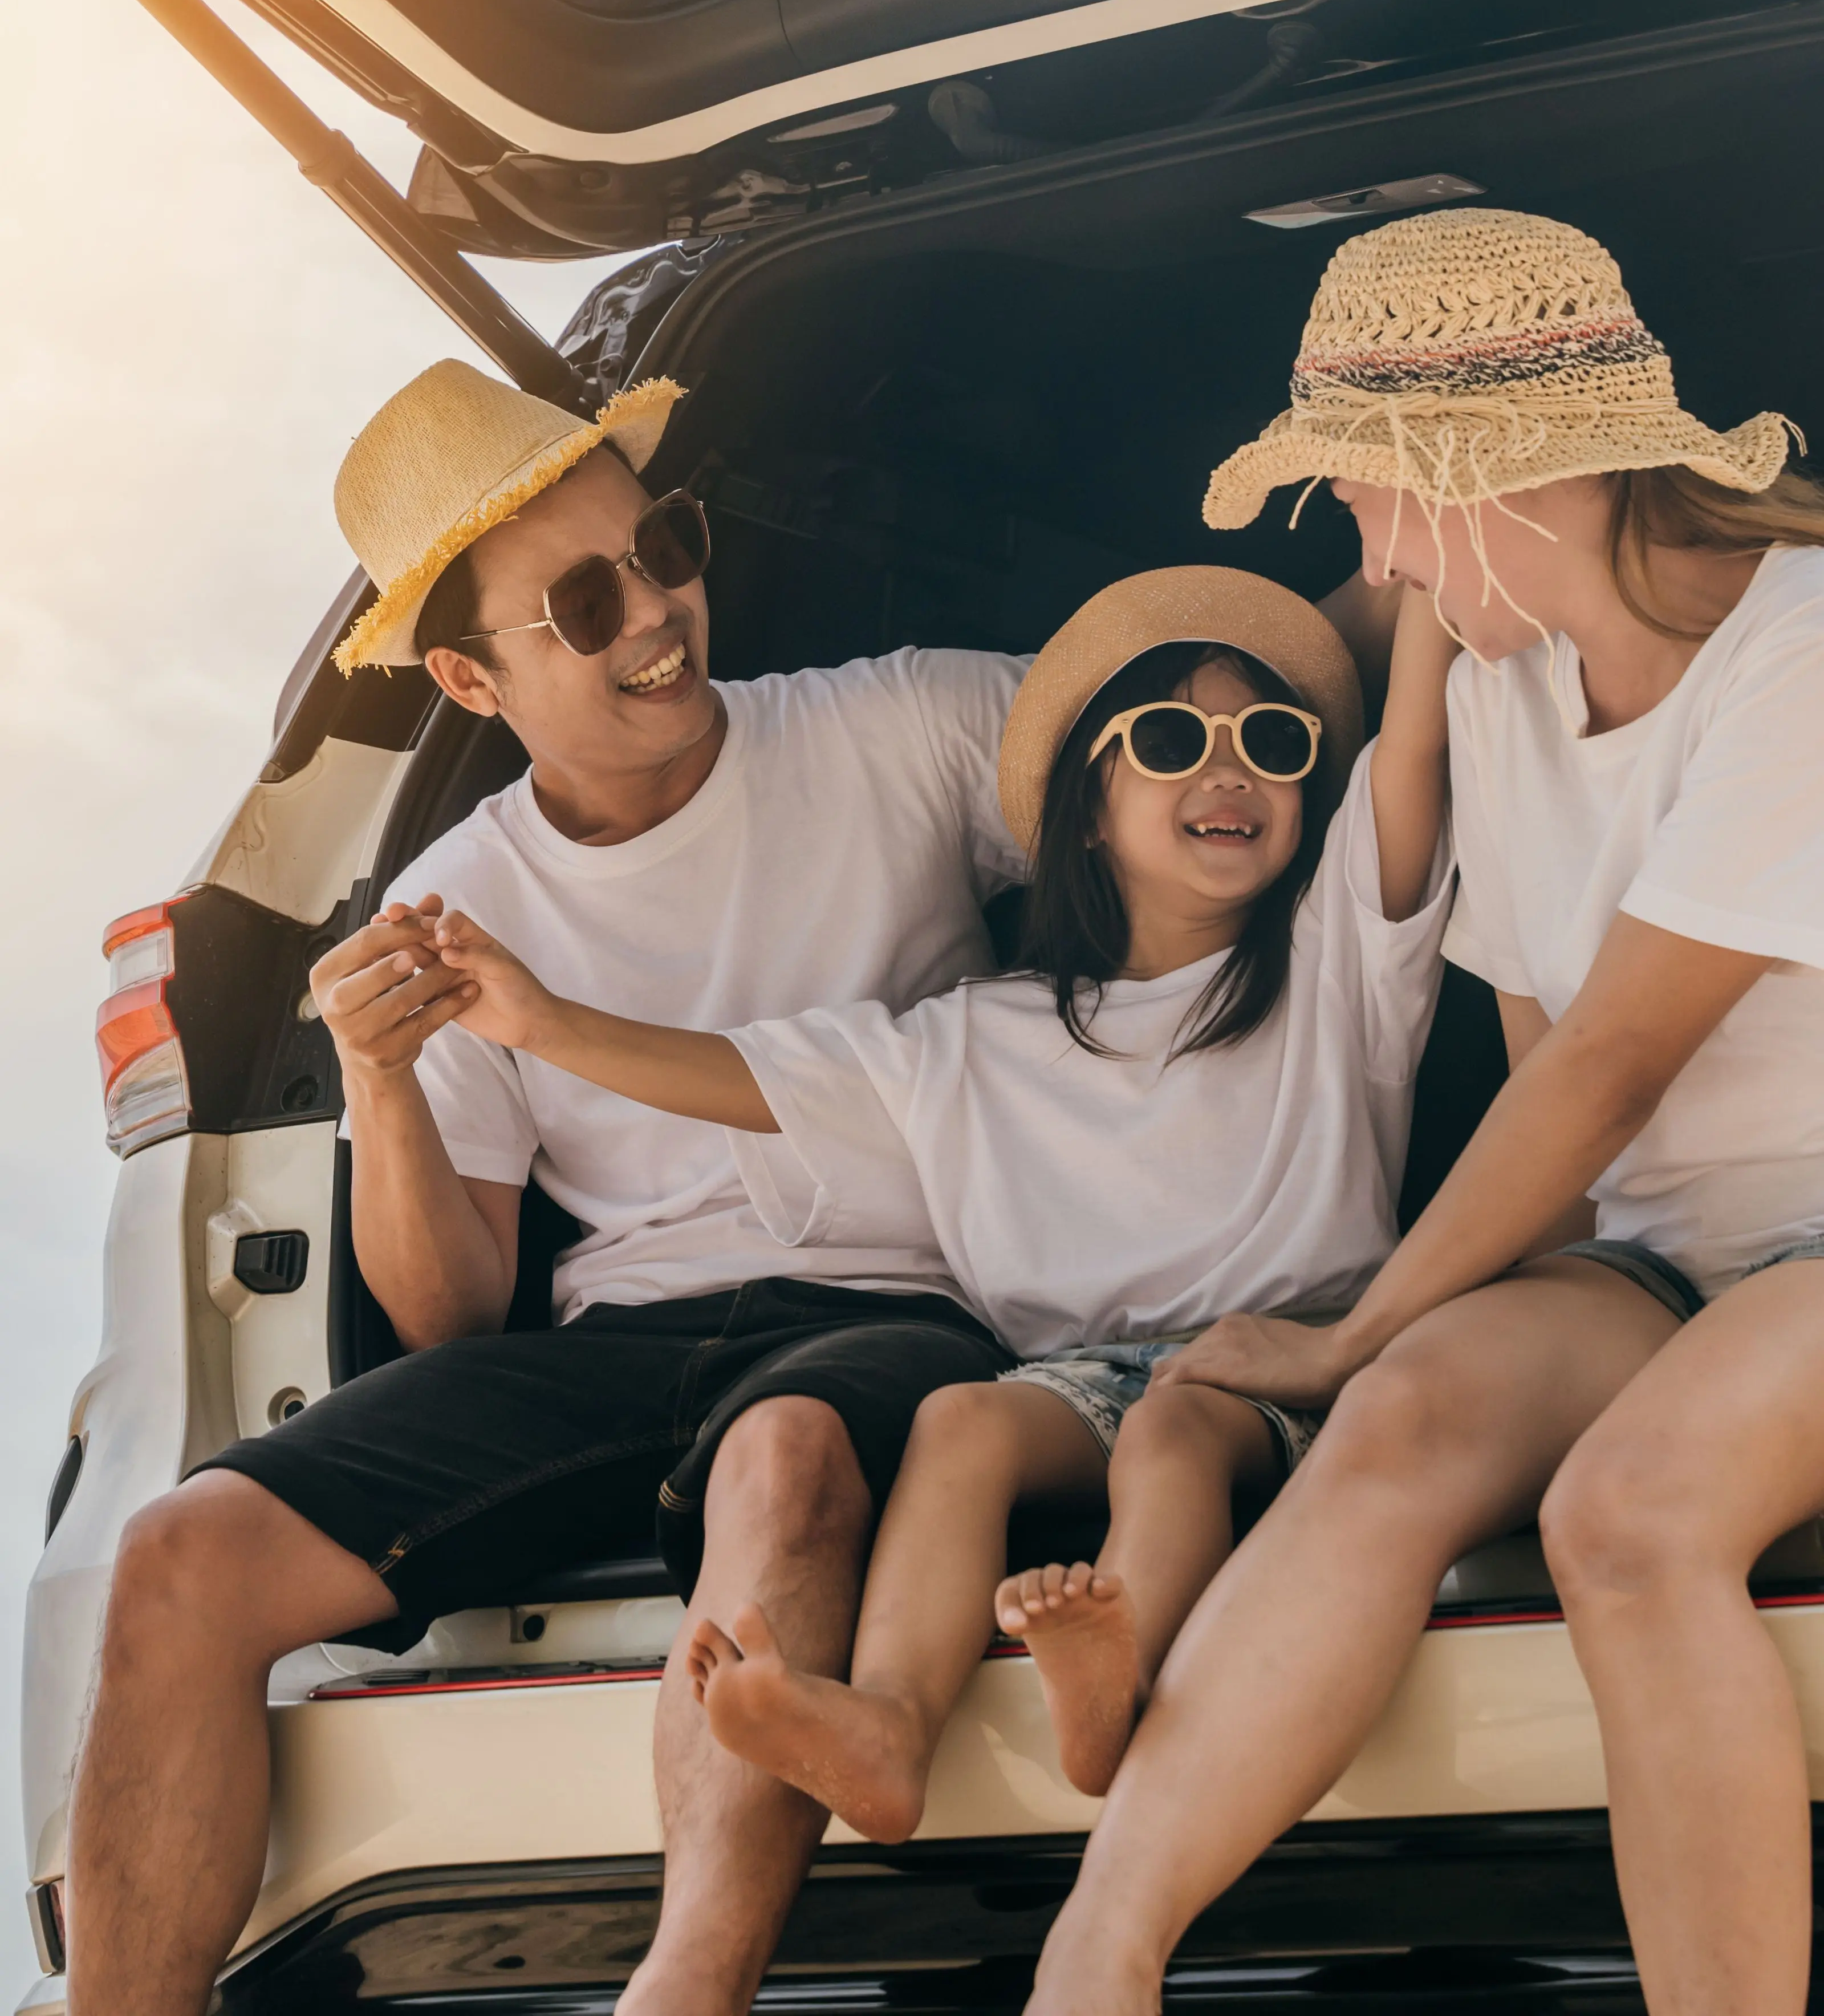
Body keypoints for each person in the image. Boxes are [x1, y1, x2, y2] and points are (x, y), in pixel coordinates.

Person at [63, 358, 1033, 2016]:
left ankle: (686, 1991)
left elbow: (1205, 739)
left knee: (784, 1456)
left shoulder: (906, 725)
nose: (656, 606)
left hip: (900, 1311)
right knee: (175, 1557)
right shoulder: (457, 894)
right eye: (586, 600)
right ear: (468, 672)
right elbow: (454, 1311)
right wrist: (379, 1083)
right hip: (616, 1352)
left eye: (662, 543)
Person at [1019, 206, 1824, 2016]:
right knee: (1395, 1430)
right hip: (1658, 1255)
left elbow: (1615, 1058)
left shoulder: (1803, 644)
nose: (1366, 554)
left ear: (1478, 478)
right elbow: (1560, 1104)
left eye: (1366, 501)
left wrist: (1351, 1321)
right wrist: (1379, 1354)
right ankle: (1095, 1965)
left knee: (1621, 1513)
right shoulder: (1500, 692)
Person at [417, 562, 1458, 1841]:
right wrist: (546, 1023)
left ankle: (1114, 1681)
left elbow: (1412, 746)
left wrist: (1428, 563)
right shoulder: (977, 1036)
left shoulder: (1342, 962)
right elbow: (751, 1079)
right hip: (1074, 1377)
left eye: (1276, 743)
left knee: (1173, 1436)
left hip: (1286, 1371)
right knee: (963, 1422)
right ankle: (891, 1725)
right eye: (1175, 739)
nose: (1230, 771)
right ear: (1080, 810)